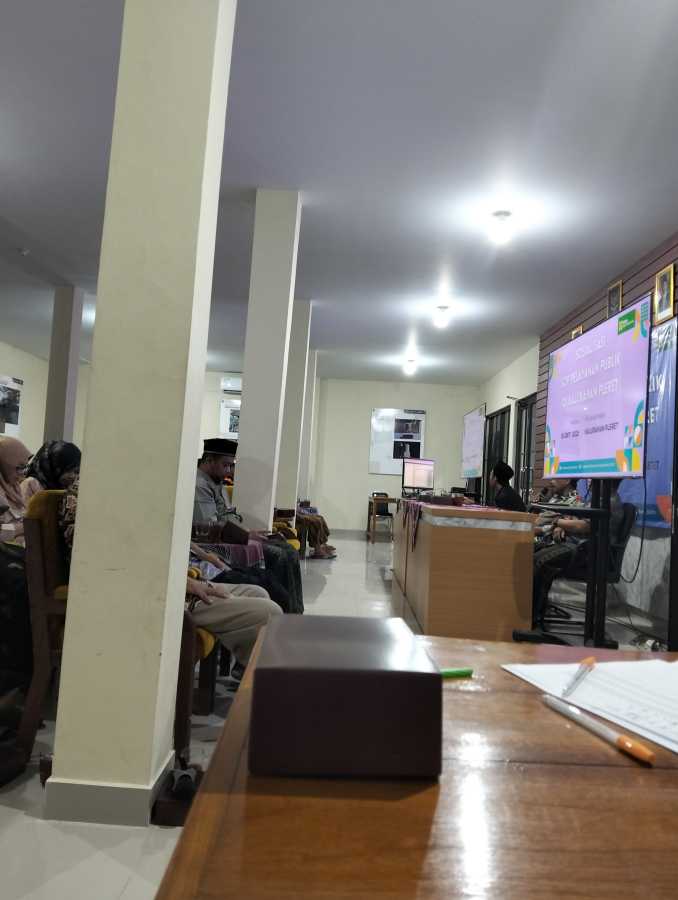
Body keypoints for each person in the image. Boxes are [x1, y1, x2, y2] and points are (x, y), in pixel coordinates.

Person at [59, 474, 281, 668]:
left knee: (257, 592)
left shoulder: (122, 485)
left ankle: (251, 673)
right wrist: (184, 582)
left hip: (170, 580)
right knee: (268, 612)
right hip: (145, 590)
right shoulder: (86, 493)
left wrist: (196, 565)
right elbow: (107, 561)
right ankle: (258, 686)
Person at [532, 479, 625, 627]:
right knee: (531, 551)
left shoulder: (610, 502)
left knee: (539, 561)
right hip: (578, 545)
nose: (589, 481)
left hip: (588, 552)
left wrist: (557, 522)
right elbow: (575, 520)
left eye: (593, 478)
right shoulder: (598, 499)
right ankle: (533, 610)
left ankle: (532, 616)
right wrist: (563, 526)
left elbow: (583, 526)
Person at [21, 440, 81, 505]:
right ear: (54, 465)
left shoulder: (66, 488)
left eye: (76, 471)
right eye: (68, 470)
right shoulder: (31, 484)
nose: (73, 476)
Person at [194, 438, 236, 524]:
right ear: (209, 460)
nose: (228, 471)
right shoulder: (200, 485)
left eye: (230, 466)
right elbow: (209, 526)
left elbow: (227, 515)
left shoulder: (217, 480)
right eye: (225, 465)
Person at [0, 436, 31, 545]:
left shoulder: (14, 488)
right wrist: (23, 528)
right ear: (3, 464)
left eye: (25, 467)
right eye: (19, 467)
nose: (22, 474)